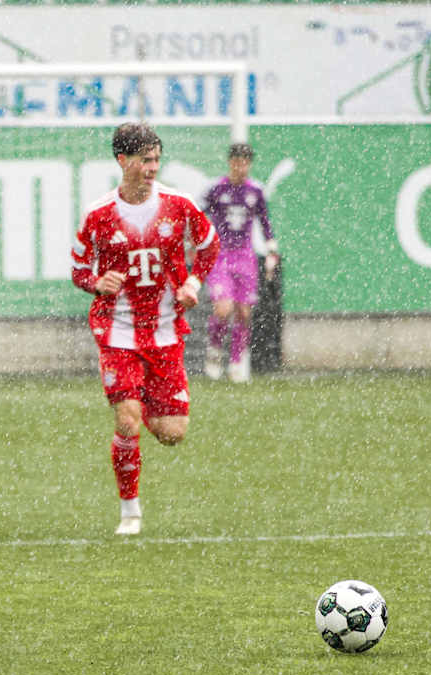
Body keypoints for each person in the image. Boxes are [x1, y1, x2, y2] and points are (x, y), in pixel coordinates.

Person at [71, 123, 220, 536]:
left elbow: (209, 245)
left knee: (172, 433)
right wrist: (96, 283)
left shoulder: (178, 205)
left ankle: (145, 406)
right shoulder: (99, 214)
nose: (152, 168)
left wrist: (194, 281)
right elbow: (80, 269)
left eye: (156, 160)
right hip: (117, 333)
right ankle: (130, 511)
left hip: (166, 333)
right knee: (126, 420)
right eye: (144, 160)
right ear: (123, 161)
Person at [200, 143, 280, 383]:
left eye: (245, 162)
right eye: (236, 161)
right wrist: (195, 242)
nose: (240, 166)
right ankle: (215, 350)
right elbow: (199, 215)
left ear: (249, 164)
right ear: (230, 162)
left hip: (245, 255)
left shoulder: (255, 191)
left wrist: (271, 249)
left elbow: (265, 223)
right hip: (221, 254)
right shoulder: (217, 189)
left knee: (244, 312)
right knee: (223, 309)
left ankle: (236, 362)